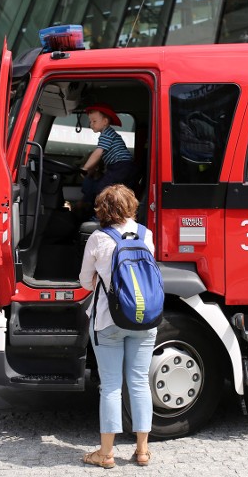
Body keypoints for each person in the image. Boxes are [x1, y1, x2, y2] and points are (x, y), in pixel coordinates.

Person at [78, 185, 156, 468]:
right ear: (132, 205)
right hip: (145, 319)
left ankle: (106, 453)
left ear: (103, 209)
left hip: (108, 319)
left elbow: (85, 281)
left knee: (111, 386)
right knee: (139, 382)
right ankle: (143, 450)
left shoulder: (98, 238)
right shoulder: (146, 236)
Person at [79, 104, 136, 212]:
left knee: (103, 190)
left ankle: (101, 216)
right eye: (90, 121)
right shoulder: (108, 134)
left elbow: (98, 153)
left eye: (94, 121)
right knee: (119, 194)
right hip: (123, 166)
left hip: (120, 166)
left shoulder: (107, 134)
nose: (91, 124)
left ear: (105, 121)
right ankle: (118, 213)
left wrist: (85, 168)